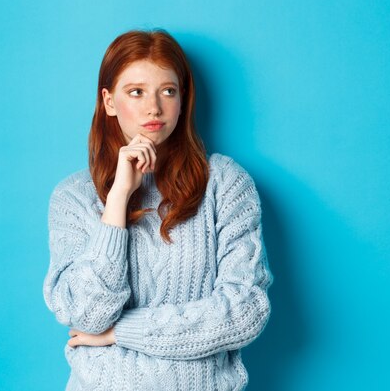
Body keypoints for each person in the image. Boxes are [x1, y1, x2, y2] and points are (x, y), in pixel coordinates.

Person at [42, 28, 274, 391]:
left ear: (183, 99)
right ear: (109, 101)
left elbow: (244, 311)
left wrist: (122, 331)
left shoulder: (225, 184)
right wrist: (119, 197)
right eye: (136, 92)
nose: (154, 107)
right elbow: (87, 315)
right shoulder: (73, 198)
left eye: (168, 90)